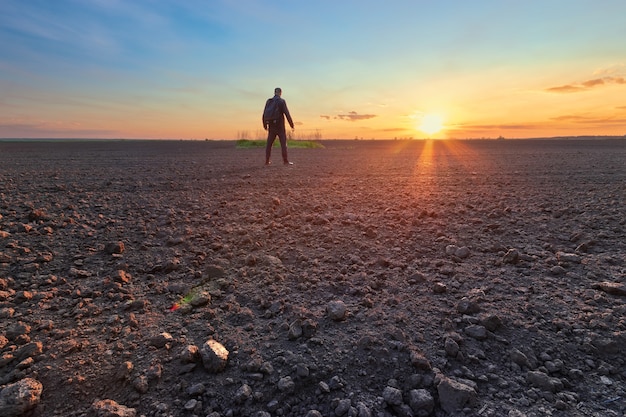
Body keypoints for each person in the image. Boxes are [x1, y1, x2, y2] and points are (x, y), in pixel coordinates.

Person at [263, 87, 295, 165]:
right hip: (280, 126)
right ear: (280, 93)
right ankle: (285, 161)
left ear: (274, 92)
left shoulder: (269, 101)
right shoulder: (282, 101)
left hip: (271, 126)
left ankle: (267, 161)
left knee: (269, 144)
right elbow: (287, 113)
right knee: (283, 144)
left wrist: (265, 125)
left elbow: (264, 114)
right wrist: (292, 124)